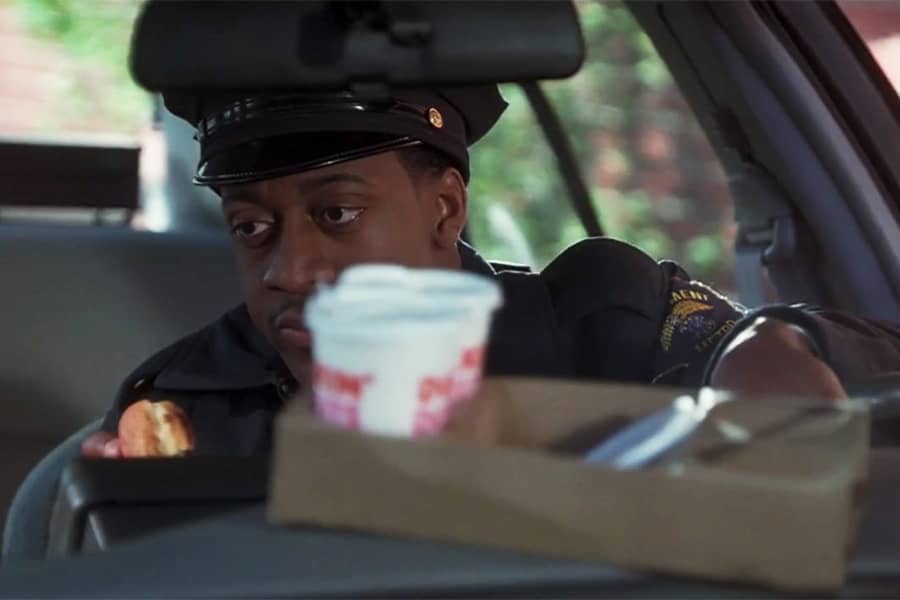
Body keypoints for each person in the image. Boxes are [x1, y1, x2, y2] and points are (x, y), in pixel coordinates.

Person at [83, 85, 900, 457]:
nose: (291, 270)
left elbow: (759, 351)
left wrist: (779, 347)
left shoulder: (600, 323)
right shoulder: (183, 405)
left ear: (444, 211)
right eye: (253, 228)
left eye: (336, 214)